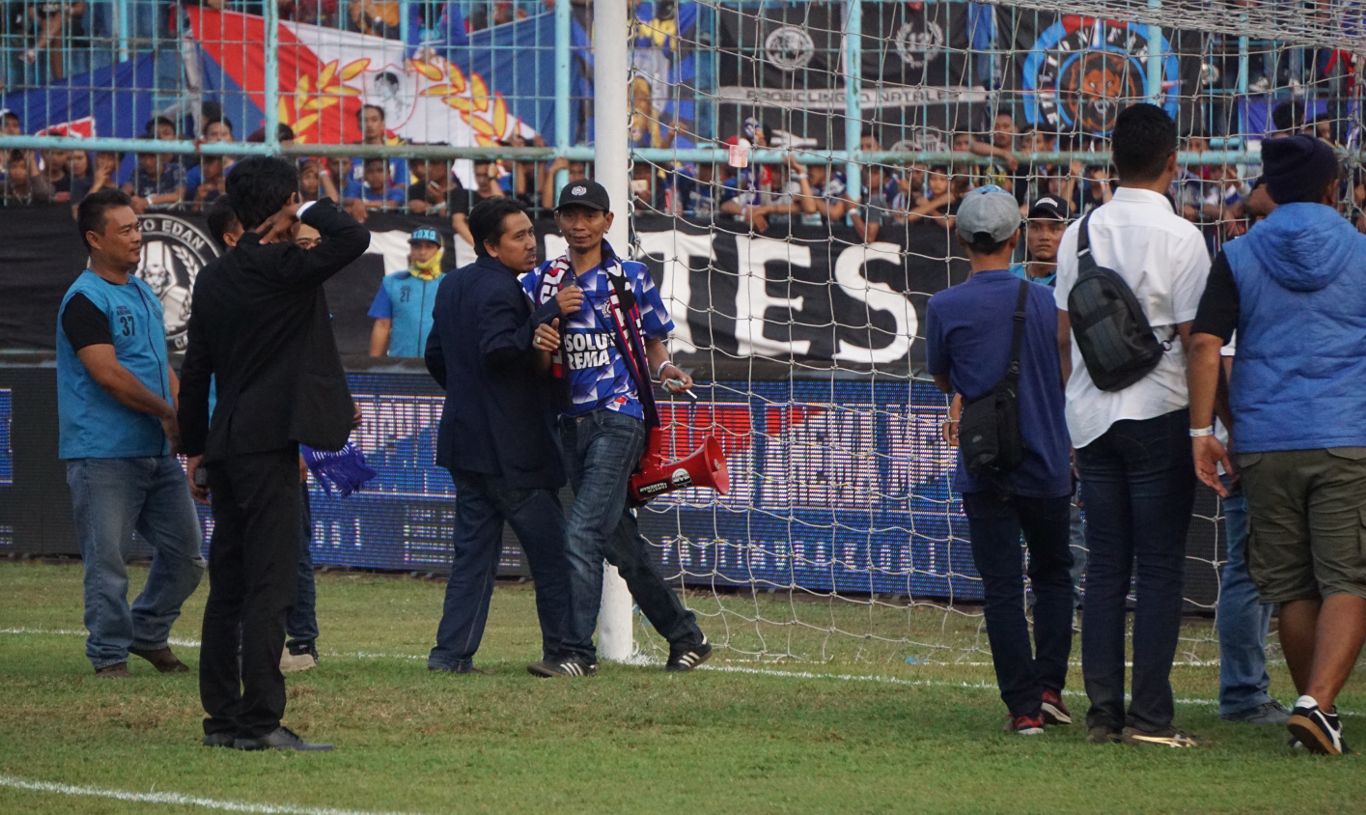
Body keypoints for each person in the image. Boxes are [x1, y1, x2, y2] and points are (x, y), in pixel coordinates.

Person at [179, 157, 369, 751]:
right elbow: (353, 235)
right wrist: (306, 206)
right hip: (268, 448)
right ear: (284, 201)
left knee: (229, 586)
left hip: (228, 444)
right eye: (293, 200)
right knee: (270, 586)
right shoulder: (286, 266)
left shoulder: (214, 277)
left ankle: (222, 719)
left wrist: (194, 449)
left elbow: (197, 368)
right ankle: (261, 720)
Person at [1188, 134, 1366, 755]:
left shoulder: (1238, 255)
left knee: (1290, 585)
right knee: (1348, 578)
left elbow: (1205, 342)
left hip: (1263, 440)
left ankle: (1315, 711)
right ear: (1331, 189)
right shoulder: (1362, 251)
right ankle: (1319, 703)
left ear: (1271, 188)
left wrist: (1201, 431)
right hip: (1347, 433)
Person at [1054, 103, 1209, 748]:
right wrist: (1207, 432)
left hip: (1092, 416)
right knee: (1162, 567)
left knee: (1107, 565)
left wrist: (1071, 413)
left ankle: (1102, 714)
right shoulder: (1183, 237)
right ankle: (1150, 717)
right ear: (1173, 163)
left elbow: (1064, 335)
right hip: (1161, 410)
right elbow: (1199, 342)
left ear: (1111, 161)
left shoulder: (1076, 232)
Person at [520, 180, 711, 676]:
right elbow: (536, 366)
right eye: (570, 215)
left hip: (620, 415)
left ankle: (575, 654)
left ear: (608, 221)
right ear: (558, 221)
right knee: (618, 542)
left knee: (580, 530)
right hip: (568, 423)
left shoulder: (631, 277)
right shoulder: (540, 282)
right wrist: (543, 331)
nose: (579, 225)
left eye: (589, 215)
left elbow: (653, 343)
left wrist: (667, 370)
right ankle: (686, 636)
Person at [925, 186, 1075, 735]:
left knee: (1003, 587)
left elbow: (945, 378)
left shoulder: (943, 306)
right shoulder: (1044, 302)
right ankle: (1052, 688)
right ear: (1017, 238)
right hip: (1048, 458)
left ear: (962, 239)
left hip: (984, 463)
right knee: (1055, 574)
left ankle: (1024, 709)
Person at [56, 188, 205, 677]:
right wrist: (167, 412)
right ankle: (109, 656)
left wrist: (184, 415)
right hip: (103, 451)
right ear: (94, 239)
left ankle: (145, 632)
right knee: (109, 562)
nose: (138, 237)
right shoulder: (83, 299)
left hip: (154, 450)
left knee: (186, 556)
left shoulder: (141, 290)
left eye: (137, 227)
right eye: (126, 230)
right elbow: (108, 374)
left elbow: (160, 365)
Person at [424, 197, 574, 674]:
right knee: (552, 556)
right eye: (519, 236)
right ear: (490, 245)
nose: (532, 243)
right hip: (512, 451)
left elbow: (435, 355)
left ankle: (450, 656)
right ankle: (565, 651)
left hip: (466, 444)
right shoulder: (502, 290)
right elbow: (499, 350)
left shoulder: (451, 284)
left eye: (532, 232)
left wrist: (470, 396)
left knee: (473, 558)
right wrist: (547, 312)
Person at [204, 200, 323, 675]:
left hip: (267, 439)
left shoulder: (278, 287)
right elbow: (207, 376)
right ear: (235, 237)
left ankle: (299, 643)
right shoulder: (224, 290)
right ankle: (257, 647)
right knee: (244, 554)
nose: (285, 232)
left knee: (287, 546)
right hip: (239, 441)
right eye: (272, 222)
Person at [368, 227, 445, 358]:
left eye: (429, 246)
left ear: (439, 251)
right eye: (417, 246)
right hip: (401, 365)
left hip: (440, 366)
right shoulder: (392, 282)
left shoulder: (450, 284)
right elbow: (382, 324)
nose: (422, 252)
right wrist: (372, 366)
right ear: (410, 250)